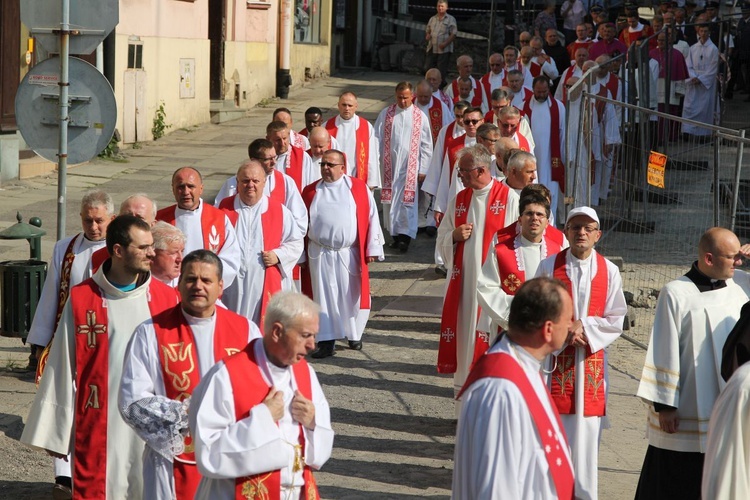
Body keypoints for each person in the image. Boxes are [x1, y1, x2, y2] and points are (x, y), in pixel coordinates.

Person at [20, 215, 180, 499]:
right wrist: (54, 431)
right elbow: (62, 364)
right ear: (118, 251)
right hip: (100, 421)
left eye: (151, 246)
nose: (152, 253)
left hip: (153, 423)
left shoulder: (167, 299)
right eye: (142, 248)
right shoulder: (84, 298)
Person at [119, 250, 260, 500]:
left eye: (206, 281)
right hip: (171, 460)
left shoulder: (246, 331)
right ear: (179, 284)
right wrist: (191, 413)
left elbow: (264, 389)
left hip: (230, 454)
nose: (198, 286)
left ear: (220, 286)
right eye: (190, 279)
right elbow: (133, 402)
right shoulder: (150, 332)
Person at [635, 228, 750, 499]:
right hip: (686, 406)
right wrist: (665, 406)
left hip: (727, 400)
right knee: (675, 478)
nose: (739, 262)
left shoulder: (740, 286)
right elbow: (664, 346)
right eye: (732, 257)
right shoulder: (676, 293)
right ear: (709, 259)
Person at [188, 292, 334, 500]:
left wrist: (313, 423)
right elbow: (208, 453)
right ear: (277, 331)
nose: (312, 345)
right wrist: (263, 418)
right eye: (305, 335)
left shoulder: (305, 373)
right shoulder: (226, 376)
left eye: (314, 336)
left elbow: (319, 450)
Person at [25, 190, 115, 497]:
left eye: (99, 220)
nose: (93, 226)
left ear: (111, 218)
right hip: (67, 341)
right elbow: (51, 294)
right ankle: (63, 476)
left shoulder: (120, 251)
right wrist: (39, 340)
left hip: (104, 344)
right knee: (63, 406)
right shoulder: (66, 249)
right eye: (87, 220)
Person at [452, 277, 575, 500]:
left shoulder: (523, 366)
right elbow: (496, 489)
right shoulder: (502, 392)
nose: (571, 326)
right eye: (567, 320)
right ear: (548, 329)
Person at [535, 206, 627, 500]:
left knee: (587, 443)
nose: (582, 233)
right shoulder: (549, 266)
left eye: (588, 228)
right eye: (576, 227)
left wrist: (584, 327)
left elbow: (616, 319)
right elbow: (535, 311)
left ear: (598, 235)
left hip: (590, 365)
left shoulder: (609, 271)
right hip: (555, 364)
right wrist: (564, 331)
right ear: (567, 232)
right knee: (552, 438)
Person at [436, 145, 517, 412]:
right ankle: (464, 411)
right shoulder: (459, 200)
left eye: (463, 172)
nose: (460, 177)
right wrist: (454, 237)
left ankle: (488, 408)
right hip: (464, 286)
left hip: (494, 288)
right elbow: (442, 238)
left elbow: (518, 244)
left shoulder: (509, 199)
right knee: (465, 339)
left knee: (488, 340)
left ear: (481, 170)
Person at [302, 150, 385, 358]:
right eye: (323, 165)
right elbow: (300, 223)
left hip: (349, 252)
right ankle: (326, 340)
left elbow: (372, 216)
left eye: (330, 164)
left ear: (342, 167)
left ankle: (353, 333)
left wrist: (373, 248)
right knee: (323, 296)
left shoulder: (357, 188)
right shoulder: (311, 191)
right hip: (320, 253)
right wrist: (300, 254)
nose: (326, 168)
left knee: (351, 295)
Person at [219, 160, 305, 326]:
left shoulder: (279, 211)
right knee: (232, 326)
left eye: (255, 181)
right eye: (245, 181)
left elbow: (296, 242)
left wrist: (278, 255)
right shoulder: (224, 208)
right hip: (232, 285)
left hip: (264, 282)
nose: (250, 185)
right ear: (237, 182)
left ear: (264, 183)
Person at [477, 192, 567, 334]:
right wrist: (520, 311)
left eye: (540, 215)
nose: (534, 218)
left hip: (546, 328)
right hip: (511, 326)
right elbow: (486, 287)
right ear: (519, 220)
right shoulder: (501, 251)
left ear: (547, 222)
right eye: (529, 213)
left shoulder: (559, 252)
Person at [156, 167, 240, 288]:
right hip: (168, 288)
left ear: (201, 189)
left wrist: (204, 282)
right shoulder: (160, 219)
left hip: (203, 290)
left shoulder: (218, 219)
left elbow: (231, 259)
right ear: (173, 189)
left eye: (191, 186)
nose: (186, 192)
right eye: (180, 187)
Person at [374, 81, 433, 253]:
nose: (403, 101)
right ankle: (395, 236)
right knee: (391, 202)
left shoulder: (419, 116)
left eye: (406, 98)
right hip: (389, 167)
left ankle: (405, 238)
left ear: (412, 96)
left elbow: (426, 144)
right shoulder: (386, 114)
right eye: (400, 98)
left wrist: (423, 168)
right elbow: (376, 138)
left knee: (407, 202)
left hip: (410, 168)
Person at [523, 76, 566, 220]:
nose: (541, 95)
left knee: (550, 192)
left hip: (550, 158)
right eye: (538, 92)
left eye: (544, 91)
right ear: (533, 89)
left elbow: (562, 134)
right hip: (531, 157)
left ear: (549, 89)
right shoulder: (525, 107)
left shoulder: (558, 107)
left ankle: (550, 224)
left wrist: (562, 157)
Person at [431, 106, 483, 217]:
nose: (471, 125)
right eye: (467, 122)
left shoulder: (487, 144)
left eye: (474, 121)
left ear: (482, 121)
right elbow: (445, 176)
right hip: (457, 197)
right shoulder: (454, 145)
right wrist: (440, 207)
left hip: (481, 198)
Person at [324, 91, 382, 188]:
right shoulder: (327, 126)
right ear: (338, 105)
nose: (346, 108)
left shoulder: (366, 127)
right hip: (334, 177)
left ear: (356, 106)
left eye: (350, 105)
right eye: (344, 105)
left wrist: (372, 181)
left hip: (358, 176)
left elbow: (372, 155)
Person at [682, 24, 719, 137]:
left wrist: (701, 79)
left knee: (704, 108)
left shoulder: (714, 49)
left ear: (709, 33)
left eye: (705, 31)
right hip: (694, 81)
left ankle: (703, 134)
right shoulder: (693, 48)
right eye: (701, 31)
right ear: (698, 32)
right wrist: (693, 77)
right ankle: (688, 132)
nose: (703, 33)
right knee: (690, 106)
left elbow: (713, 68)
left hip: (705, 84)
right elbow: (688, 65)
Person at [268, 120, 317, 192]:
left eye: (284, 138)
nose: (282, 143)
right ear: (268, 139)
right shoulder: (263, 158)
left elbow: (310, 184)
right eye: (278, 140)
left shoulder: (303, 157)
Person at [424, 0, 457, 85]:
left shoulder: (450, 19)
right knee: (428, 68)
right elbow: (428, 30)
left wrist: (445, 44)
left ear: (446, 7)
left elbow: (453, 34)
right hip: (432, 47)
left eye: (442, 6)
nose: (440, 8)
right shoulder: (432, 19)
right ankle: (428, 86)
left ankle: (440, 87)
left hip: (444, 49)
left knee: (441, 70)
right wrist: (428, 35)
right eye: (438, 6)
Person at [415, 79, 453, 145]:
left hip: (433, 145)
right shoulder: (410, 105)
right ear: (416, 93)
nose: (423, 99)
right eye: (420, 96)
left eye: (426, 97)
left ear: (431, 93)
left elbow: (449, 126)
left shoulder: (441, 106)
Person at [150, 221, 186, 287]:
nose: (180, 259)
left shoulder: (186, 286)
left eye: (182, 251)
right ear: (152, 254)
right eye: (173, 252)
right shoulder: (139, 285)